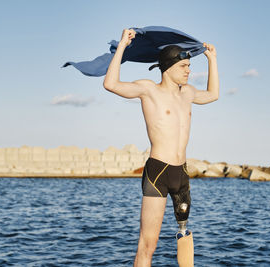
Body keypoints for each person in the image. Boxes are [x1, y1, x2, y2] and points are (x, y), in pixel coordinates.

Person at [103, 29, 219, 267]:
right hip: (158, 172)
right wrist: (123, 46)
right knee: (148, 245)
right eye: (184, 66)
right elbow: (110, 84)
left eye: (189, 66)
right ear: (168, 67)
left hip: (182, 173)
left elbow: (214, 94)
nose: (189, 71)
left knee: (185, 238)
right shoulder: (149, 90)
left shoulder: (187, 93)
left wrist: (212, 60)